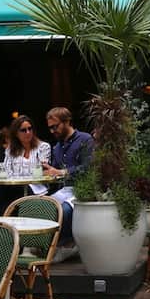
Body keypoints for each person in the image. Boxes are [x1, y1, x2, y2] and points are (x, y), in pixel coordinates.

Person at [44, 107, 95, 262]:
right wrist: (46, 172)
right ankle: (44, 246)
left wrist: (61, 172)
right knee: (41, 205)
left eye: (56, 126)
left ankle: (65, 245)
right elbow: (55, 172)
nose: (53, 131)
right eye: (50, 128)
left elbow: (88, 167)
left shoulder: (85, 140)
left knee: (64, 210)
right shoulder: (57, 147)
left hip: (83, 189)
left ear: (67, 122)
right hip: (64, 190)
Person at [4, 114, 51, 196]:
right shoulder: (10, 150)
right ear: (16, 133)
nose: (28, 132)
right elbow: (6, 171)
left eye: (30, 129)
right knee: (0, 188)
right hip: (14, 187)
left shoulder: (43, 147)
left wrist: (17, 176)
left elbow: (41, 172)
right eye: (23, 130)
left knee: (4, 191)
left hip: (37, 188)